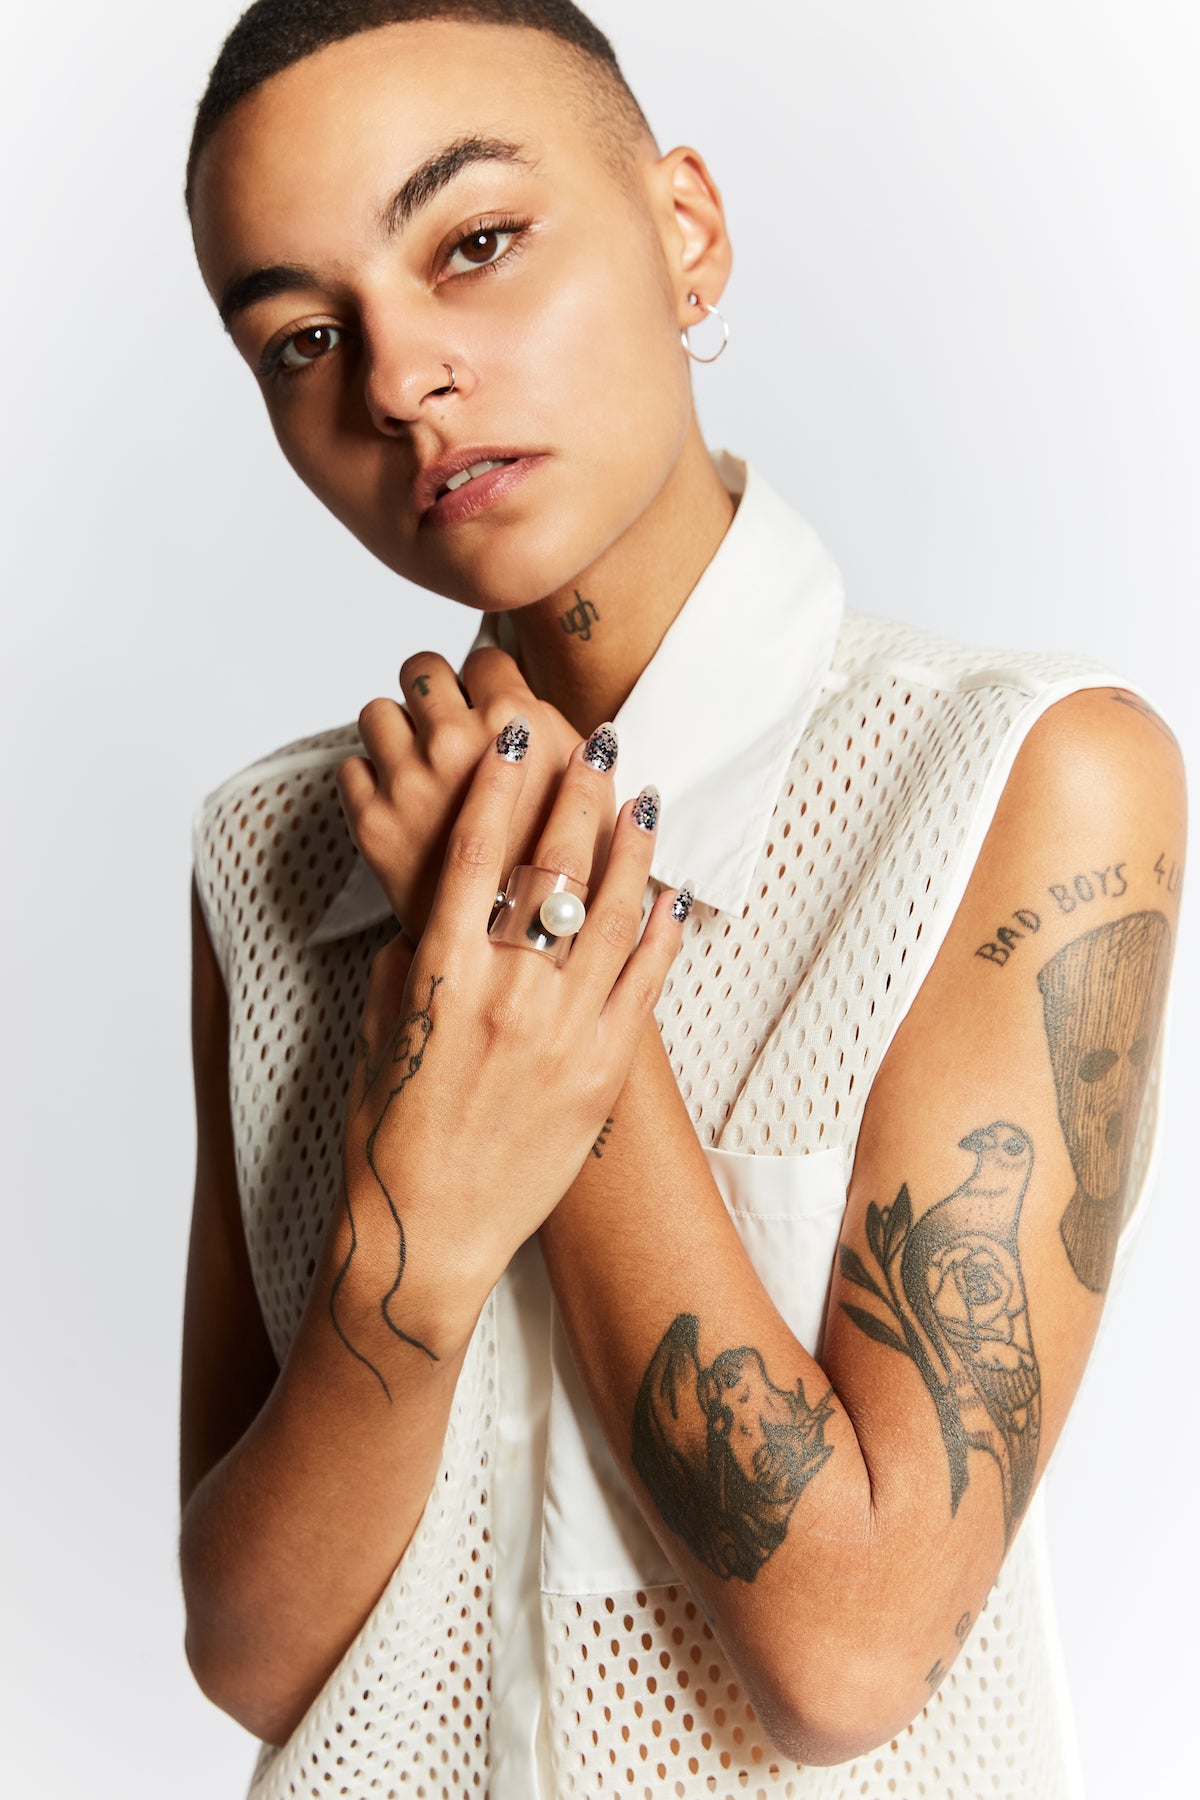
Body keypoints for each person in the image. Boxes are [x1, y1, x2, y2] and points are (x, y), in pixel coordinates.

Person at [178, 4, 1185, 1796]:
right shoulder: (274, 854)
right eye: (304, 338)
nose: (398, 379)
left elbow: (850, 1659)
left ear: (685, 231)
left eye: (475, 243)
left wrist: (524, 928)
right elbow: (255, 1662)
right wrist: (421, 1226)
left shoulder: (1028, 777)